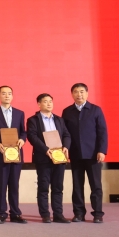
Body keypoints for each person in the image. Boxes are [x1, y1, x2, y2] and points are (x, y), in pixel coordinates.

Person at [62, 83, 108, 224]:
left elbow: (102, 132)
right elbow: (64, 133)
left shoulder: (95, 110)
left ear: (87, 93)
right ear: (72, 94)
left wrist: (102, 150)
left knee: (96, 185)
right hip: (75, 154)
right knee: (77, 186)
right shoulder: (67, 112)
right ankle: (79, 213)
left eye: (82, 91)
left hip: (93, 154)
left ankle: (98, 214)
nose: (79, 94)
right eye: (76, 92)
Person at [0, 85, 27, 224]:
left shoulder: (20, 113)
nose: (7, 96)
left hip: (16, 154)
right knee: (1, 185)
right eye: (4, 93)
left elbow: (23, 132)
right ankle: (1, 213)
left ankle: (15, 213)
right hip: (0, 154)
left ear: (12, 96)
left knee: (14, 185)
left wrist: (22, 139)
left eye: (9, 93)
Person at [26, 93, 71, 223]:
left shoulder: (59, 119)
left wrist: (66, 147)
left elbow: (67, 135)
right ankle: (45, 214)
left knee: (58, 187)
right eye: (45, 101)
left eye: (51, 101)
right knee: (43, 187)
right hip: (43, 157)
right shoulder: (33, 120)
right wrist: (45, 149)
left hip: (59, 158)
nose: (49, 104)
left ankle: (58, 214)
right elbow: (32, 137)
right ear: (39, 104)